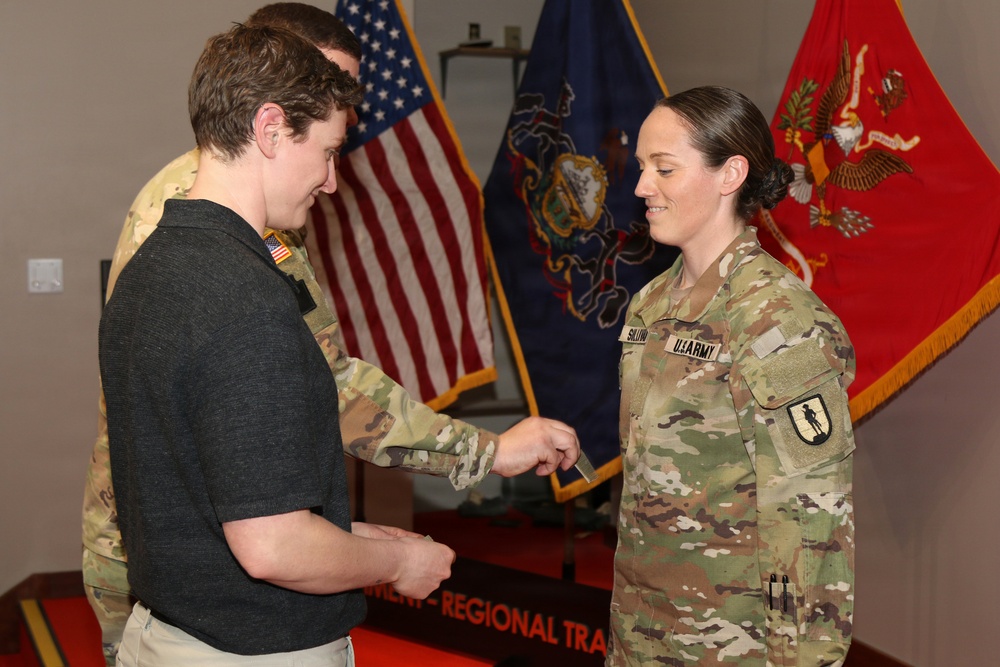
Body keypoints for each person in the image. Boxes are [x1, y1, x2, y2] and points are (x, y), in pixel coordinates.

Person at [85, 5, 580, 665]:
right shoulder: (232, 273)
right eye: (327, 140)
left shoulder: (195, 241)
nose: (333, 175)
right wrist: (399, 554)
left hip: (190, 596)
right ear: (271, 117)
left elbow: (304, 390)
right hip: (223, 614)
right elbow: (268, 532)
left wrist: (472, 461)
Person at [608, 86, 855, 666]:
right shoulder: (649, 305)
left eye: (663, 168)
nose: (642, 186)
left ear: (731, 174)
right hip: (641, 635)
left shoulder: (779, 321)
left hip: (737, 646)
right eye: (643, 168)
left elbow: (812, 520)